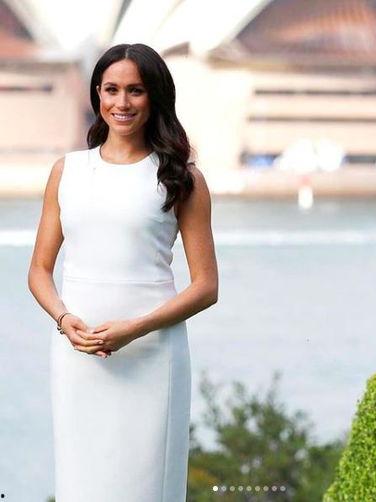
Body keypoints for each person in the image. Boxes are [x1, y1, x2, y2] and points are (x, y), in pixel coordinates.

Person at [27, 43, 218, 502]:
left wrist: (136, 328)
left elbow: (206, 286)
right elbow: (38, 270)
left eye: (136, 90)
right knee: (82, 484)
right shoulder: (68, 171)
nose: (122, 102)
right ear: (97, 93)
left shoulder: (181, 178)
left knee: (146, 487)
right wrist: (63, 319)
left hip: (153, 356)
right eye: (111, 89)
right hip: (78, 356)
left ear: (154, 97)